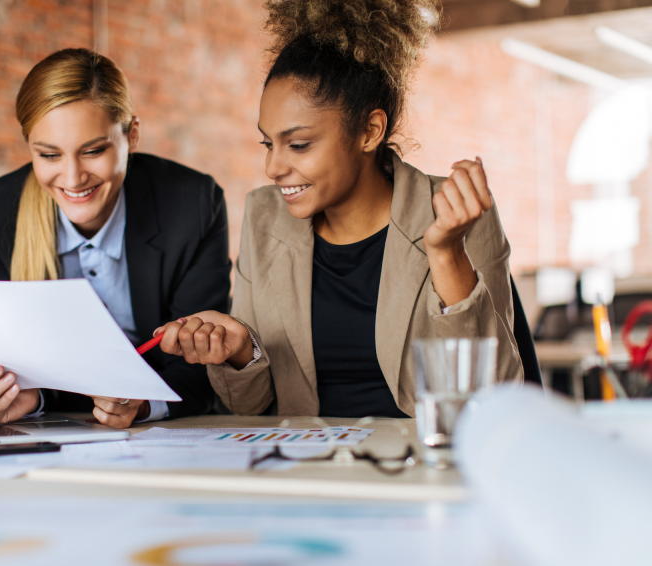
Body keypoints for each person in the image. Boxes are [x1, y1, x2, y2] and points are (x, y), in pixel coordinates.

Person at [156, 0, 523, 418]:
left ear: (370, 131)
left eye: (298, 145)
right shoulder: (264, 216)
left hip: (418, 469)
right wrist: (242, 353)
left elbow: (492, 397)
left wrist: (446, 254)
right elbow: (246, 407)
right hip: (306, 471)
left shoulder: (455, 215)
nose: (273, 167)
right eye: (268, 143)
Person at [0, 48, 231, 427]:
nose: (72, 179)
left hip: (165, 431)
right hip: (57, 433)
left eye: (93, 150)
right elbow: (11, 364)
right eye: (49, 155)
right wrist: (16, 396)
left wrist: (144, 405)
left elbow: (204, 366)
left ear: (131, 136)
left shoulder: (193, 205)